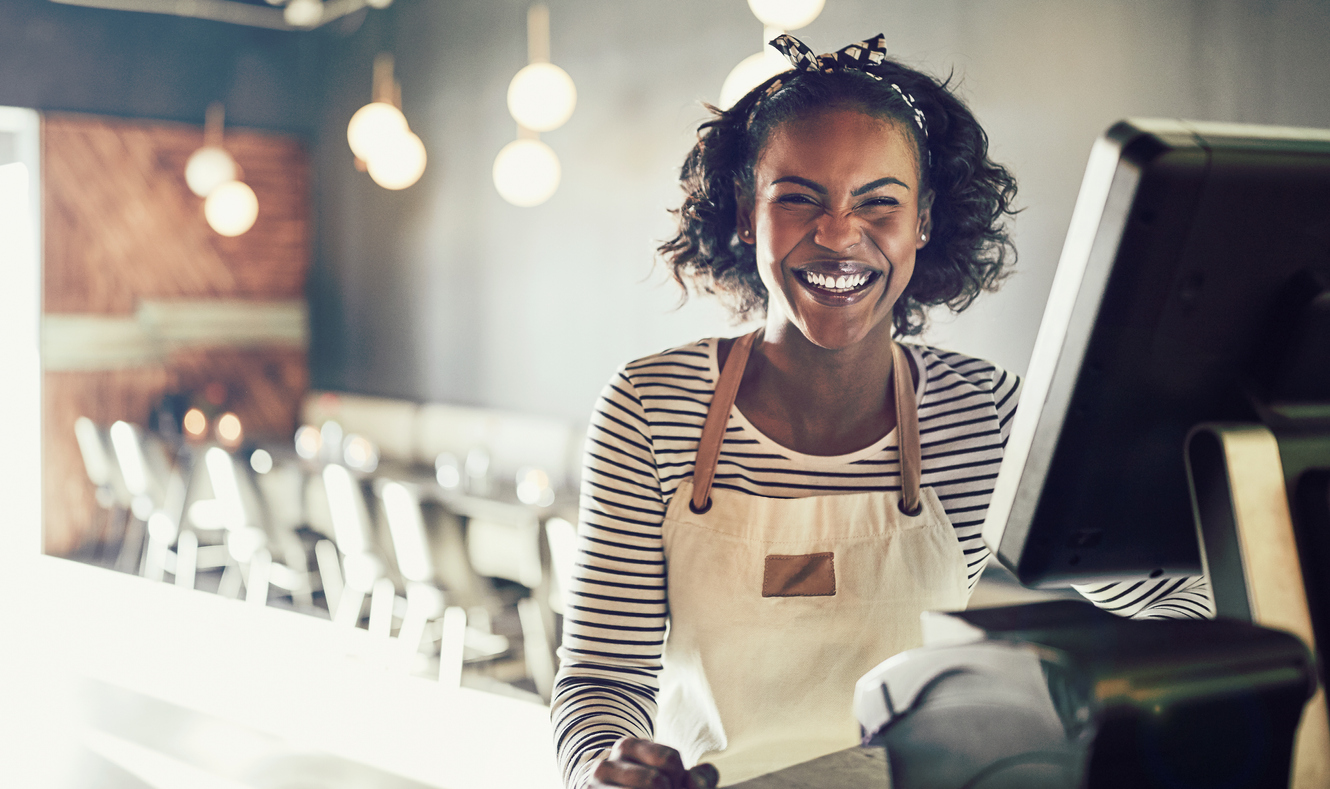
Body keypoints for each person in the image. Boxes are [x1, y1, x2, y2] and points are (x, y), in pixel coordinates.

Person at [551, 34, 1212, 789]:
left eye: (879, 203)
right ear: (745, 214)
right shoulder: (651, 408)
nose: (837, 235)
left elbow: (1181, 600)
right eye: (798, 197)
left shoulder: (983, 415)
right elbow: (601, 681)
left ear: (923, 222)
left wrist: (1079, 720)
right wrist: (604, 770)